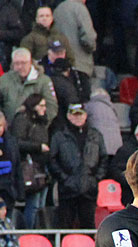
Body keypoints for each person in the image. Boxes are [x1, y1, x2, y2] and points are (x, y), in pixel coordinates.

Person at [49, 104, 107, 229]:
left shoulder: (95, 135)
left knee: (88, 225)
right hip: (67, 190)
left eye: (80, 114)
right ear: (68, 116)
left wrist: (95, 179)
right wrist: (64, 179)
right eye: (74, 115)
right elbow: (52, 160)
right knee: (65, 225)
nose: (78, 118)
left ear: (86, 115)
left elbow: (103, 158)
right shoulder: (59, 136)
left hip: (89, 189)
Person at [10, 94, 49, 228]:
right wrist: (38, 147)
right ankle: (28, 233)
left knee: (39, 206)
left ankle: (36, 234)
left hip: (41, 167)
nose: (45, 108)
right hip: (29, 168)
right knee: (33, 205)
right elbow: (17, 142)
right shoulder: (22, 119)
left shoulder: (41, 121)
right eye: (41, 105)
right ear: (33, 106)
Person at [0, 48, 58, 126]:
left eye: (23, 63)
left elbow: (52, 107)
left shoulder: (43, 81)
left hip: (34, 131)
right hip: (8, 129)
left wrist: (40, 125)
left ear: (30, 62)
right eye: (17, 63)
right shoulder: (4, 79)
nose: (20, 66)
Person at [53, 0, 97, 77]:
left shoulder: (57, 10)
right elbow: (88, 37)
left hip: (61, 64)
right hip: (80, 64)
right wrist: (92, 48)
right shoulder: (80, 9)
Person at [0, 111, 22, 210]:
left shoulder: (11, 142)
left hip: (8, 191)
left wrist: (20, 193)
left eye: (0, 125)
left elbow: (17, 168)